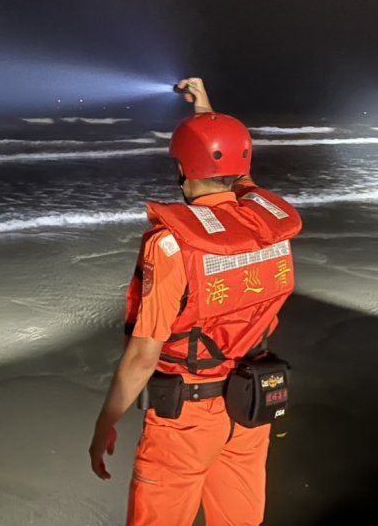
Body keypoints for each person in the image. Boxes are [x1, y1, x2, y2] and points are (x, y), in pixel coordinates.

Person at [88, 77, 302, 525]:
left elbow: (144, 354)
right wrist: (207, 117)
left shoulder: (172, 246)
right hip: (250, 408)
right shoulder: (268, 224)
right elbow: (238, 176)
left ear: (182, 169)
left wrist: (106, 421)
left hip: (185, 420)